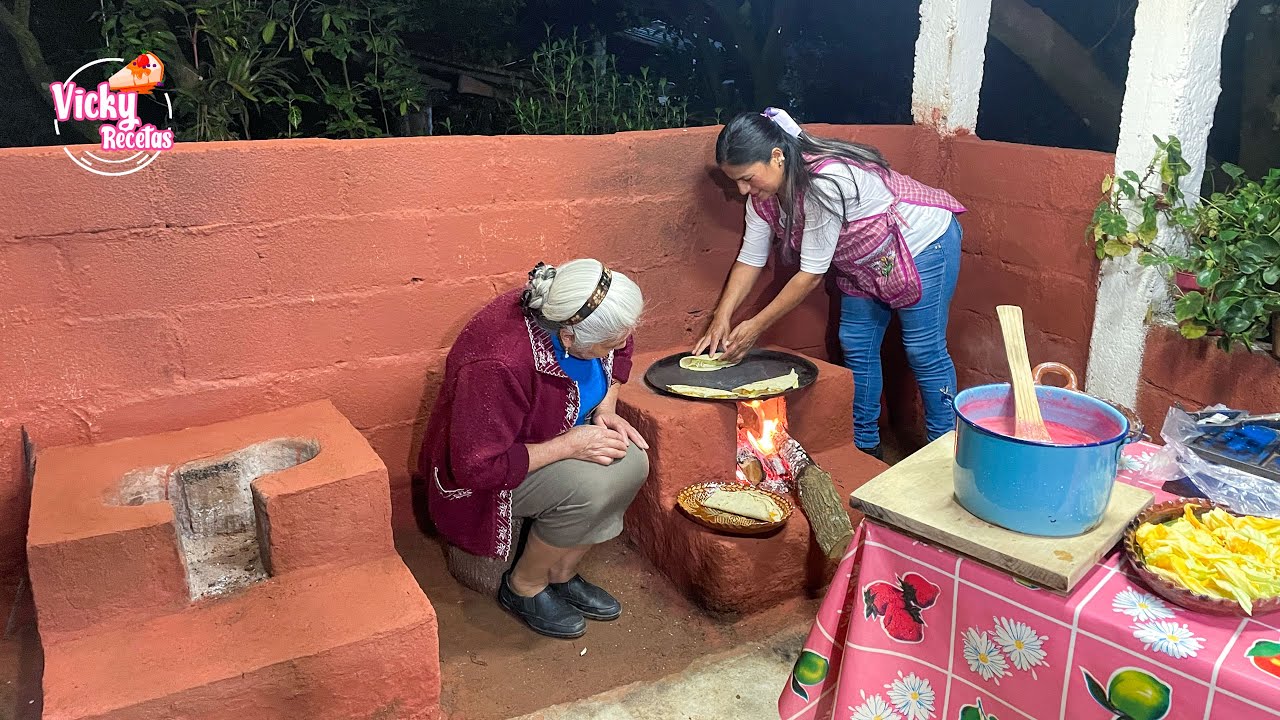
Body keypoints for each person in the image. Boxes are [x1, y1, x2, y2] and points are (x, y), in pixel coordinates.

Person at [695, 108, 967, 459]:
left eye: (747, 178)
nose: (742, 190)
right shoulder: (762, 199)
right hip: (863, 260)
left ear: (777, 157)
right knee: (856, 343)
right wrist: (721, 316)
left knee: (923, 350)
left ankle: (944, 454)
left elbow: (810, 275)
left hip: (923, 244)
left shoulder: (824, 182)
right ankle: (865, 448)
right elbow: (751, 258)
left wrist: (754, 327)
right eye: (736, 181)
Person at [419, 259, 650, 639]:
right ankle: (524, 585)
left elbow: (621, 350)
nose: (622, 345)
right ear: (569, 338)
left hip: (555, 435)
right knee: (591, 487)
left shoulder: (583, 312)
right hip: (486, 477)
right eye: (610, 342)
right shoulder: (499, 364)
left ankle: (561, 573)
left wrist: (606, 409)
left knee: (634, 462)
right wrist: (568, 445)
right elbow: (477, 468)